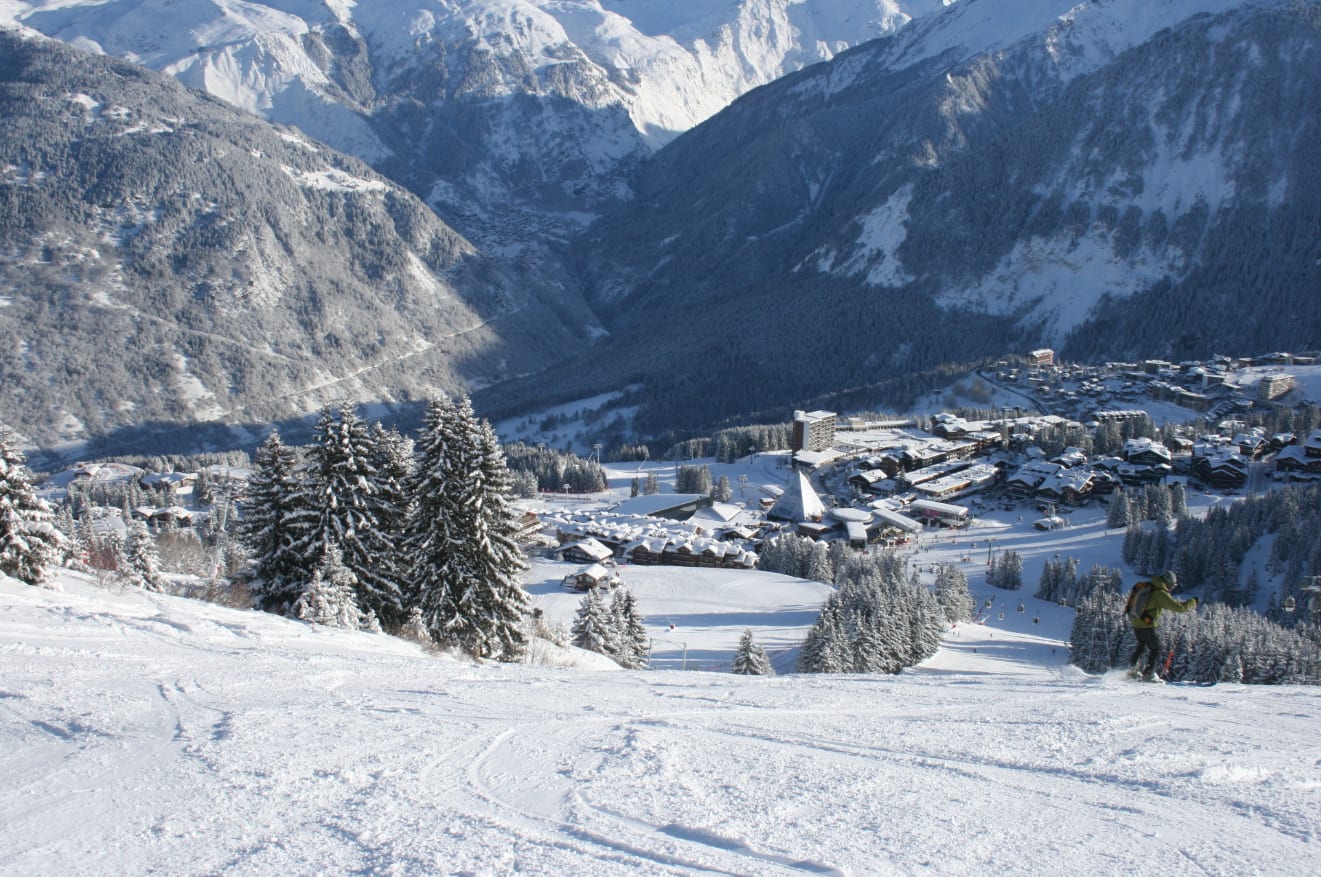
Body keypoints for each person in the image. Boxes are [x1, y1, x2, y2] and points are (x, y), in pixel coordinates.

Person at [1128, 571, 1198, 681]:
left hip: (1135, 621)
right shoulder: (1160, 593)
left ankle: (1131, 670)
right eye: (1172, 586)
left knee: (1142, 644)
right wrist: (1193, 601)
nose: (1172, 588)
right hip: (1147, 624)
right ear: (1169, 583)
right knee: (1156, 648)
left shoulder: (1149, 587)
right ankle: (1149, 674)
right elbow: (1179, 608)